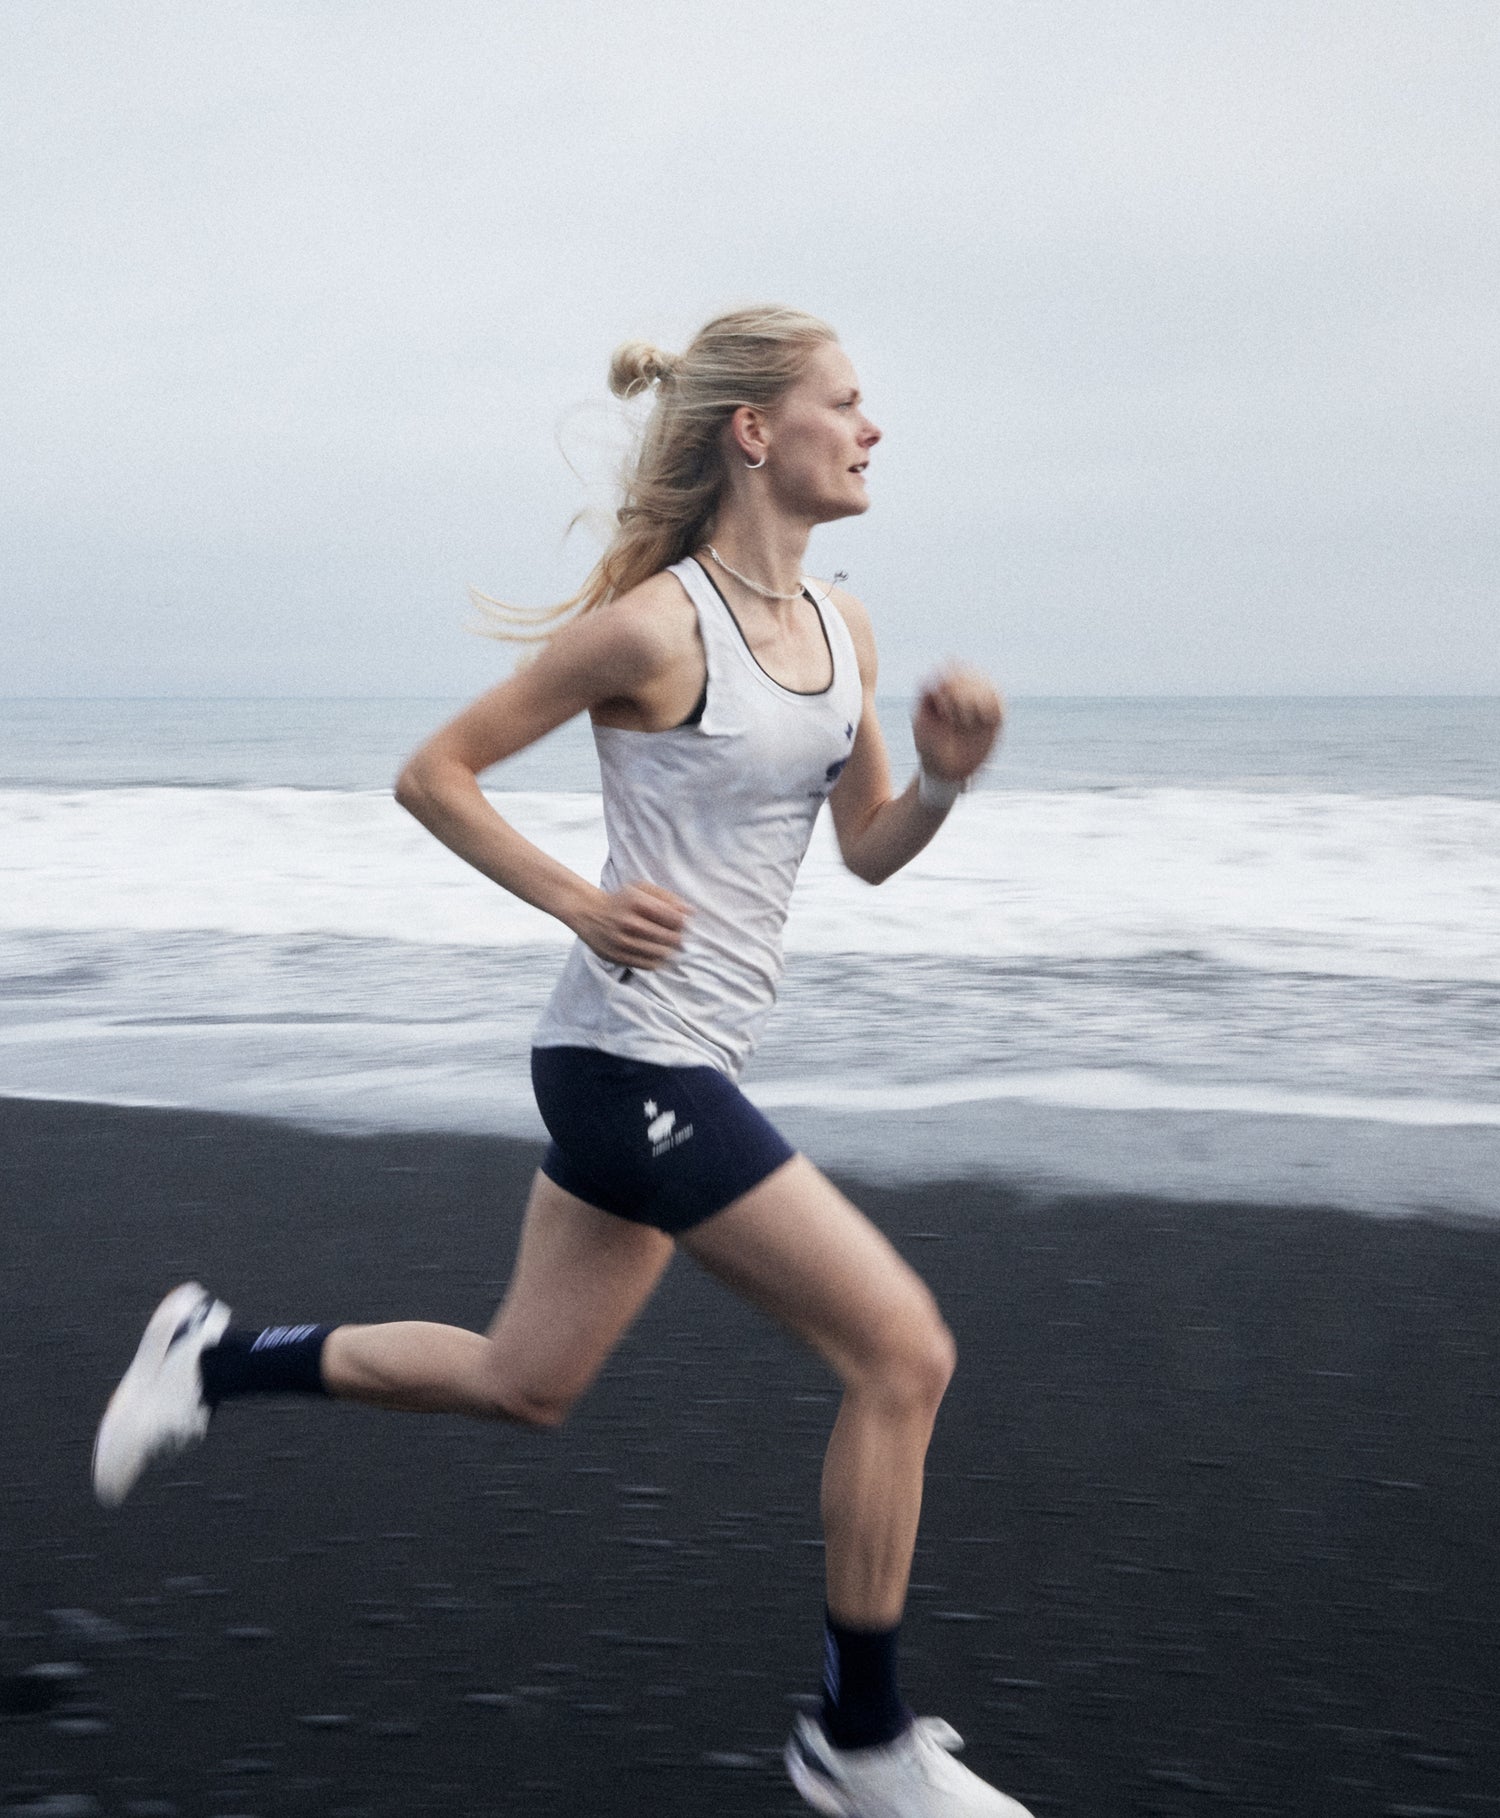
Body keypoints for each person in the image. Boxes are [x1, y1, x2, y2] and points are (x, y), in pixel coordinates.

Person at [92, 306, 1030, 1818]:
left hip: (661, 1064)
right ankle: (859, 1741)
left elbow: (864, 853)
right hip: (629, 1066)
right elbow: (433, 772)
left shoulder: (845, 629)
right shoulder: (655, 628)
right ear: (755, 430)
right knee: (903, 1352)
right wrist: (582, 899)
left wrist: (941, 781)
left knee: (524, 1381)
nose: (872, 428)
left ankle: (211, 1355)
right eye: (847, 402)